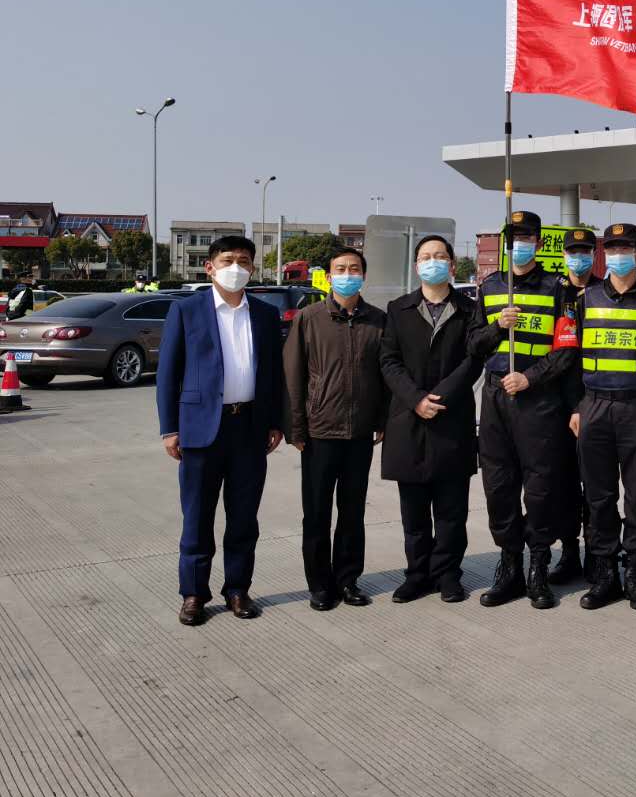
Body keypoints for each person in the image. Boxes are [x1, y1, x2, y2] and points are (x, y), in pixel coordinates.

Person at [156, 236, 285, 626]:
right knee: (197, 516)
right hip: (200, 429)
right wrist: (169, 429)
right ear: (209, 267)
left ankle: (238, 590)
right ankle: (194, 593)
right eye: (227, 260)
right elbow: (168, 374)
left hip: (249, 427)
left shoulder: (265, 314)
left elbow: (273, 373)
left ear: (253, 268)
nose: (236, 268)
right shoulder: (187, 310)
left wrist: (275, 421)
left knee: (244, 518)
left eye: (244, 261)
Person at [473, 210, 578, 610]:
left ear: (538, 242)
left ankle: (538, 566)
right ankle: (509, 566)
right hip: (496, 397)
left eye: (527, 237)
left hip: (538, 399)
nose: (519, 244)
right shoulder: (490, 287)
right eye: (513, 237)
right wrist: (497, 326)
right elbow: (473, 344)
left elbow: (566, 350)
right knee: (498, 484)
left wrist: (530, 378)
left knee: (540, 486)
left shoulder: (558, 289)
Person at [379, 235, 492, 604]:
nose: (433, 262)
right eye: (426, 257)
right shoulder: (398, 309)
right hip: (408, 420)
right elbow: (388, 361)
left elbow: (474, 359)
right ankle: (417, 575)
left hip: (451, 418)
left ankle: (448, 575)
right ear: (417, 267)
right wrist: (415, 399)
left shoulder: (469, 309)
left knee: (451, 511)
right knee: (413, 513)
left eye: (440, 256)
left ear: (452, 265)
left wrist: (438, 398)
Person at [569, 223, 636, 611]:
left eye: (625, 248)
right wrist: (576, 406)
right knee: (599, 497)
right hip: (594, 406)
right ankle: (605, 576)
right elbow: (571, 358)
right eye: (612, 248)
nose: (618, 255)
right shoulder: (586, 299)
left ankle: (634, 574)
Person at [283, 246, 388, 611]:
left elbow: (386, 375)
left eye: (354, 268)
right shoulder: (309, 318)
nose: (347, 274)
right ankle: (319, 584)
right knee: (316, 513)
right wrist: (296, 428)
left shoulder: (378, 320)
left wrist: (381, 420)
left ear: (364, 275)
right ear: (328, 277)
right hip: (319, 432)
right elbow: (293, 375)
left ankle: (348, 580)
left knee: (352, 512)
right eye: (340, 269)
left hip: (359, 433)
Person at [552, 226, 598, 583]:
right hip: (559, 403)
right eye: (573, 251)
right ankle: (569, 552)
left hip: (597, 401)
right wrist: (571, 406)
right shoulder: (555, 292)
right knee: (565, 484)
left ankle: (598, 555)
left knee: (598, 485)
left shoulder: (603, 292)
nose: (578, 257)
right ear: (564, 255)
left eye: (585, 251)